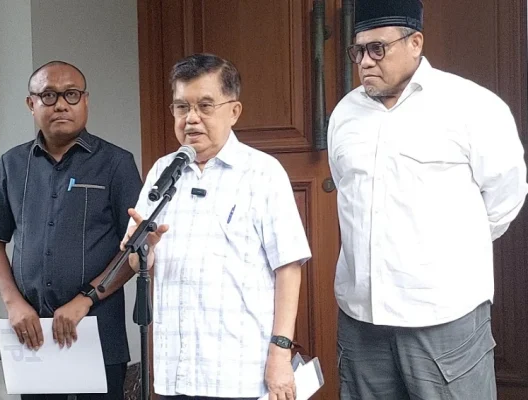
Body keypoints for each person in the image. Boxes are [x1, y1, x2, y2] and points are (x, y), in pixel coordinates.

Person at [327, 0, 528, 399]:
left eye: (377, 49)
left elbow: (506, 195)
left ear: (415, 42)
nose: (365, 61)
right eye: (358, 50)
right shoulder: (344, 115)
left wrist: (444, 255)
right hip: (362, 320)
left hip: (444, 316)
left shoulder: (471, 106)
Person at [121, 53, 311, 400]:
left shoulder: (262, 173)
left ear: (233, 111)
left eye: (205, 106)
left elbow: (288, 267)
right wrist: (143, 251)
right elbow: (137, 263)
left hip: (238, 371)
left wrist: (280, 352)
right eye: (181, 107)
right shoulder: (162, 171)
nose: (191, 118)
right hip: (175, 370)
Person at [0, 60, 152, 400]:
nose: (60, 104)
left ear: (85, 101)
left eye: (71, 94)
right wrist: (13, 303)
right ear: (31, 104)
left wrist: (86, 299)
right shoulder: (13, 164)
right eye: (48, 95)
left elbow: (135, 248)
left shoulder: (116, 163)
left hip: (97, 331)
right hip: (32, 334)